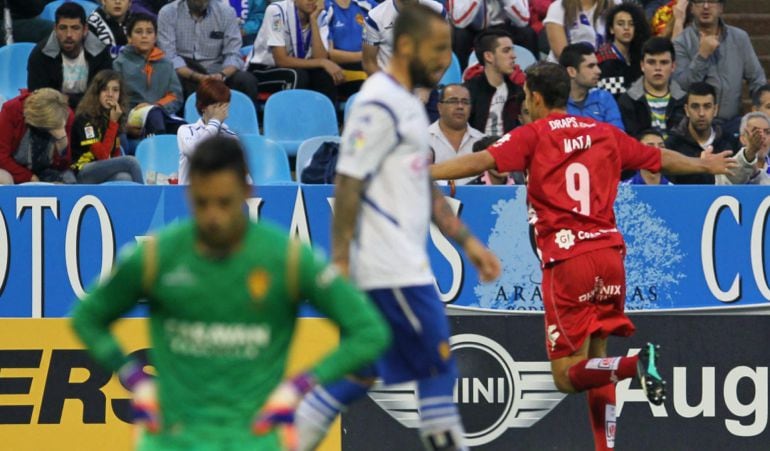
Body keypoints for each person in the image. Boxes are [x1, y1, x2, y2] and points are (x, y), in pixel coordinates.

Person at [430, 61, 737, 451]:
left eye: (527, 97)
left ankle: (635, 364)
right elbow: (656, 158)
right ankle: (605, 446)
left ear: (537, 98)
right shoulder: (604, 132)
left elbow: (482, 160)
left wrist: (427, 171)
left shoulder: (534, 134)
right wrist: (703, 163)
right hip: (609, 254)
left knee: (565, 375)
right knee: (598, 362)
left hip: (568, 259)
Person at [71, 135, 390, 450]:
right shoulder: (157, 256)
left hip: (255, 441)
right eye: (201, 202)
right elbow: (87, 318)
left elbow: (369, 332)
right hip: (171, 439)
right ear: (188, 192)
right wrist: (135, 379)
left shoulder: (287, 258)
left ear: (246, 191)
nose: (213, 216)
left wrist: (300, 386)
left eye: (224, 202)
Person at [294, 5, 501, 451]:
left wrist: (468, 242)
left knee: (366, 368)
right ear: (406, 46)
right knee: (438, 367)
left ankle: (291, 434)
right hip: (390, 266)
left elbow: (421, 185)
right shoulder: (377, 101)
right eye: (438, 48)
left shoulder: (408, 105)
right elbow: (348, 179)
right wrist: (343, 260)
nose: (446, 58)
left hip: (402, 261)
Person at [673, 0, 766, 127]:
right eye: (700, 1)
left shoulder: (739, 38)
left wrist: (760, 110)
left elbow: (757, 79)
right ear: (692, 8)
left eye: (711, 1)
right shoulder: (681, 42)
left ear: (721, 8)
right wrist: (702, 56)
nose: (706, 6)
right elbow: (681, 85)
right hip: (696, 126)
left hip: (733, 123)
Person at [157, 0, 261, 109]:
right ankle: (182, 122)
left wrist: (222, 75)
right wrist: (198, 77)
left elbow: (233, 54)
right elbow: (169, 56)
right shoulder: (168, 12)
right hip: (186, 72)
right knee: (171, 76)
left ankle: (245, 123)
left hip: (219, 72)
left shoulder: (226, 12)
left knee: (246, 80)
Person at [246, 0, 344, 104]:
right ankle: (292, 119)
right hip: (262, 70)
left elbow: (320, 57)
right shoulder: (276, 12)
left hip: (299, 67)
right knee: (297, 76)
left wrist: (314, 21)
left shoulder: (321, 15)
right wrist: (322, 62)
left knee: (324, 76)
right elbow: (281, 60)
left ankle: (325, 118)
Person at [27, 2, 113, 109]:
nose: (69, 35)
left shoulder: (100, 52)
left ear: (85, 29)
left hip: (90, 111)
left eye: (75, 28)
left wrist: (67, 99)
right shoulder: (41, 54)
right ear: (55, 28)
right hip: (53, 113)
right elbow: (38, 97)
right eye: (63, 28)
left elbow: (104, 94)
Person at [114, 13, 185, 138]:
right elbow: (116, 99)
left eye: (149, 32)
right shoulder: (120, 63)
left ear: (155, 37)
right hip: (133, 115)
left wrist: (156, 106)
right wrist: (124, 123)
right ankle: (157, 154)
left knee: (184, 128)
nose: (144, 36)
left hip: (161, 112)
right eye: (138, 32)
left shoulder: (166, 64)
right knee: (154, 115)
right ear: (129, 38)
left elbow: (176, 96)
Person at [71, 70, 144, 184]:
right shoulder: (85, 118)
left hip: (102, 170)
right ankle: (146, 200)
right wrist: (113, 123)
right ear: (97, 93)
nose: (110, 94)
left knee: (124, 178)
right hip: (83, 171)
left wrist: (114, 122)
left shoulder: (114, 115)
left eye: (115, 90)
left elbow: (115, 152)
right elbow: (102, 155)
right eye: (105, 89)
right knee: (131, 161)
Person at [0, 88, 75, 184]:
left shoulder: (65, 115)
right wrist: (29, 177)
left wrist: (61, 139)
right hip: (13, 168)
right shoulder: (12, 110)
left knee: (68, 180)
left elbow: (63, 165)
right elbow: (1, 156)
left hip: (46, 170)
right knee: (5, 179)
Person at [664, 81, 734, 184]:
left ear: (715, 110)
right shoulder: (672, 145)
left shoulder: (729, 142)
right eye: (695, 106)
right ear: (687, 110)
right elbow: (668, 188)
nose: (701, 113)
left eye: (707, 106)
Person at [617, 36, 686, 139]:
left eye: (664, 62)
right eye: (651, 62)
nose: (658, 68)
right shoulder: (627, 101)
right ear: (642, 66)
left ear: (673, 66)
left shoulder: (684, 101)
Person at [448, 0, 539, 72]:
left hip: (503, 28)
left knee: (528, 33)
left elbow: (523, 21)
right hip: (473, 29)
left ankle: (534, 78)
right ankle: (463, 82)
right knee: (459, 35)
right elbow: (459, 22)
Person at [464, 28, 524, 135]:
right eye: (506, 51)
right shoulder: (468, 91)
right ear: (489, 56)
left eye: (512, 50)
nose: (514, 55)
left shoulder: (518, 91)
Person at [362, 0, 445, 75]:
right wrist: (388, 85)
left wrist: (430, 85)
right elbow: (369, 62)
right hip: (391, 83)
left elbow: (445, 53)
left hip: (428, 81)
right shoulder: (375, 18)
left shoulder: (438, 11)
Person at [177, 78, 236, 184]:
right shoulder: (186, 130)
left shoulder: (231, 137)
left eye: (224, 107)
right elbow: (197, 155)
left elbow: (242, 175)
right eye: (216, 107)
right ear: (203, 107)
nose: (221, 112)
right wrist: (216, 122)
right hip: (188, 197)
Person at [429, 83, 485, 186]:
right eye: (453, 101)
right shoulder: (423, 140)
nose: (460, 106)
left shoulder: (482, 142)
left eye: (465, 102)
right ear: (439, 107)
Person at [560, 42, 624, 130]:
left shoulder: (605, 98)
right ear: (571, 71)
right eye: (591, 66)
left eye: (596, 65)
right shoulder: (556, 103)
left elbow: (618, 135)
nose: (598, 71)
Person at [595, 2, 650, 97]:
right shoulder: (604, 59)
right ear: (611, 29)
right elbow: (610, 98)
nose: (626, 28)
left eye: (631, 24)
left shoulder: (638, 55)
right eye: (620, 24)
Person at [543, 0, 620, 62]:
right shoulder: (558, 7)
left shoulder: (615, 4)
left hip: (605, 68)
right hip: (566, 71)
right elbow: (563, 56)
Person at [715, 111, 770, 185]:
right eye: (756, 132)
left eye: (767, 132)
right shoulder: (726, 168)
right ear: (742, 138)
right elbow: (733, 181)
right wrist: (751, 151)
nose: (762, 136)